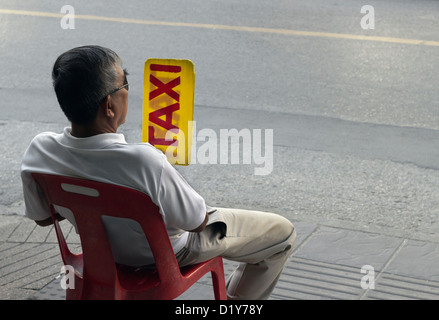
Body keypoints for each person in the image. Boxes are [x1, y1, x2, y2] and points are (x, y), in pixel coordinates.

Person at [20, 45, 296, 300]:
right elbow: (197, 222)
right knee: (282, 234)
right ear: (109, 105)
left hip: (100, 254)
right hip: (171, 253)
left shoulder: (40, 151)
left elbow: (44, 219)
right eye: (124, 83)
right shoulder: (144, 161)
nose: (128, 90)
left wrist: (85, 203)